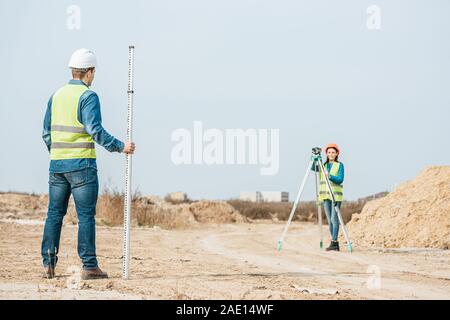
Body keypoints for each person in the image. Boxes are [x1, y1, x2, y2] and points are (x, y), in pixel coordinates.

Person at [41, 48, 136, 279]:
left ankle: (48, 263)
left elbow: (46, 133)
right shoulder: (88, 96)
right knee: (85, 216)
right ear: (89, 72)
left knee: (54, 214)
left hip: (57, 166)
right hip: (82, 165)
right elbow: (95, 130)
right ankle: (89, 265)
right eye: (94, 72)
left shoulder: (56, 95)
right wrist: (120, 146)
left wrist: (57, 154)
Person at [312, 143, 345, 251]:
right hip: (325, 195)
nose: (331, 154)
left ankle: (334, 242)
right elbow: (313, 167)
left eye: (333, 152)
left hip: (335, 196)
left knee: (334, 219)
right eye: (329, 152)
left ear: (336, 154)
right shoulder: (323, 165)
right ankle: (334, 242)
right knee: (330, 221)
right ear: (326, 153)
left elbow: (340, 179)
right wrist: (314, 157)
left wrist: (329, 176)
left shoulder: (340, 165)